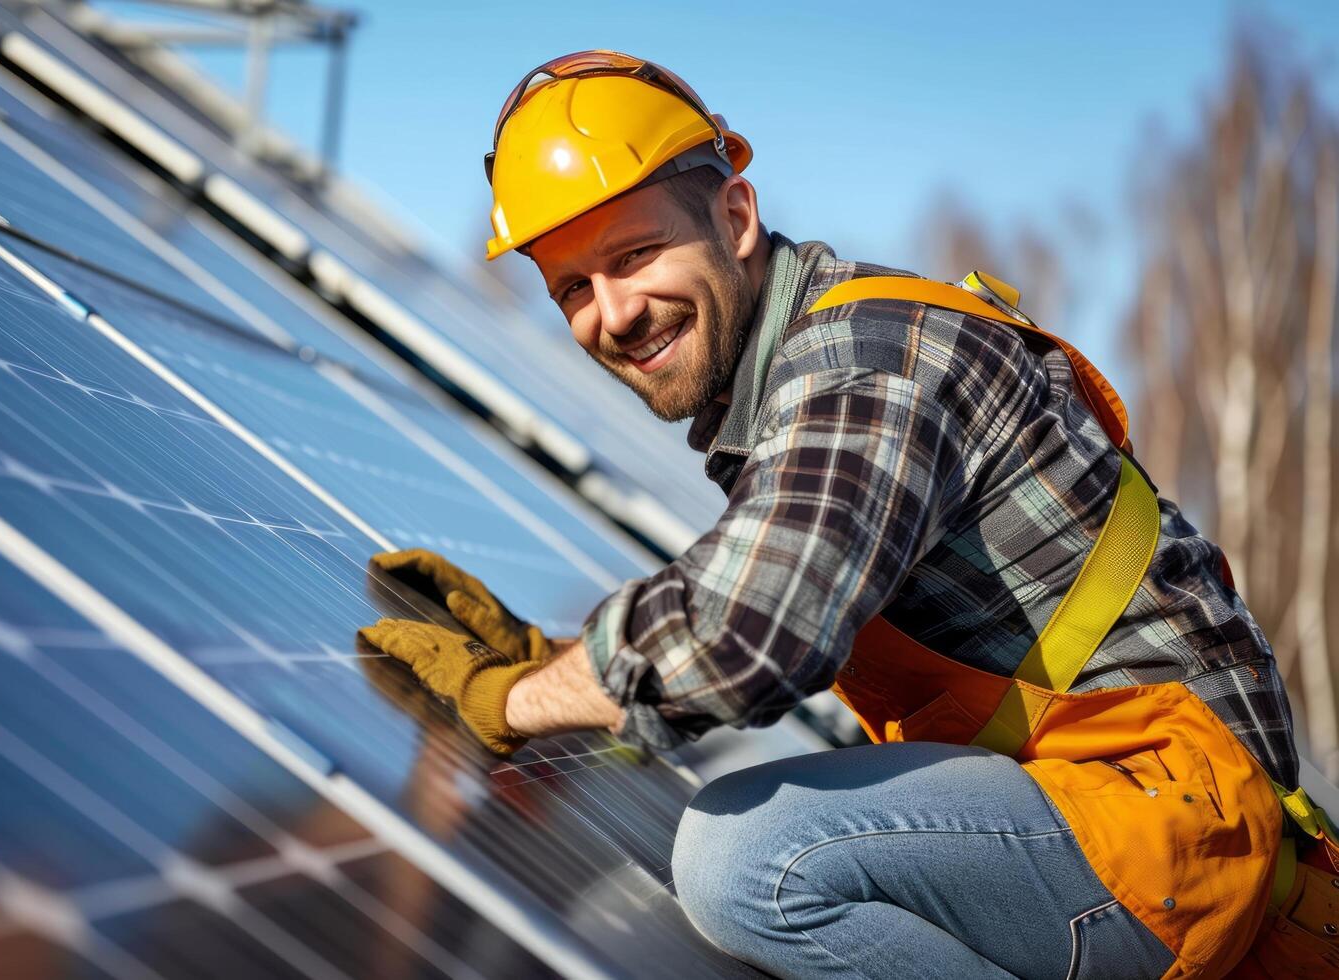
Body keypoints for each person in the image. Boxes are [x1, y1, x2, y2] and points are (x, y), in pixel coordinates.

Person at [360, 51, 1324, 978]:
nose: (612, 312)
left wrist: (508, 700)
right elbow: (760, 586)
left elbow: (749, 631)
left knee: (749, 859)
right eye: (573, 286)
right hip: (1119, 804)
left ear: (735, 215)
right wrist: (563, 664)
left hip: (1171, 826)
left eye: (636, 253)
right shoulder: (800, 375)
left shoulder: (864, 367)